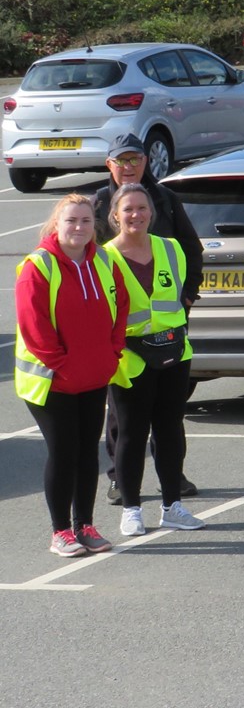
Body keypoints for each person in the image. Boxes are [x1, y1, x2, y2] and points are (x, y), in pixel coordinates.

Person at [16, 194, 128, 557]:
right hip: (51, 381)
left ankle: (85, 525)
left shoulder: (104, 260)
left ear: (94, 226)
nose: (78, 227)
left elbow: (120, 307)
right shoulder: (39, 265)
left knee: (86, 454)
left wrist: (111, 355)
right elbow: (35, 328)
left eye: (85, 221)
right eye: (71, 221)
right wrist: (63, 366)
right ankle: (60, 531)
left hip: (93, 377)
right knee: (63, 452)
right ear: (56, 225)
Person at [94, 132, 203, 505]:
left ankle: (173, 476)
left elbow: (191, 249)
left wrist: (187, 295)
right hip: (122, 339)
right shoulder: (98, 204)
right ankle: (119, 478)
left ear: (146, 161)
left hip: (170, 330)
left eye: (134, 159)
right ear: (109, 165)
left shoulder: (166, 199)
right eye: (120, 160)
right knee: (123, 418)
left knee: (169, 415)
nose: (128, 167)